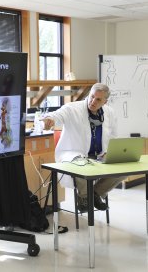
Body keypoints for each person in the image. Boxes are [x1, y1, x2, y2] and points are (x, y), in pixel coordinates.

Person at [42, 83, 123, 212]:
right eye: (92, 97)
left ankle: (95, 194)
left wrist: (108, 152)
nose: (93, 101)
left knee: (123, 169)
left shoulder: (110, 113)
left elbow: (113, 136)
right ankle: (84, 198)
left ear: (105, 102)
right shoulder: (73, 108)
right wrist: (49, 119)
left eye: (98, 99)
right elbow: (58, 115)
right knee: (81, 163)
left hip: (99, 156)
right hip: (73, 153)